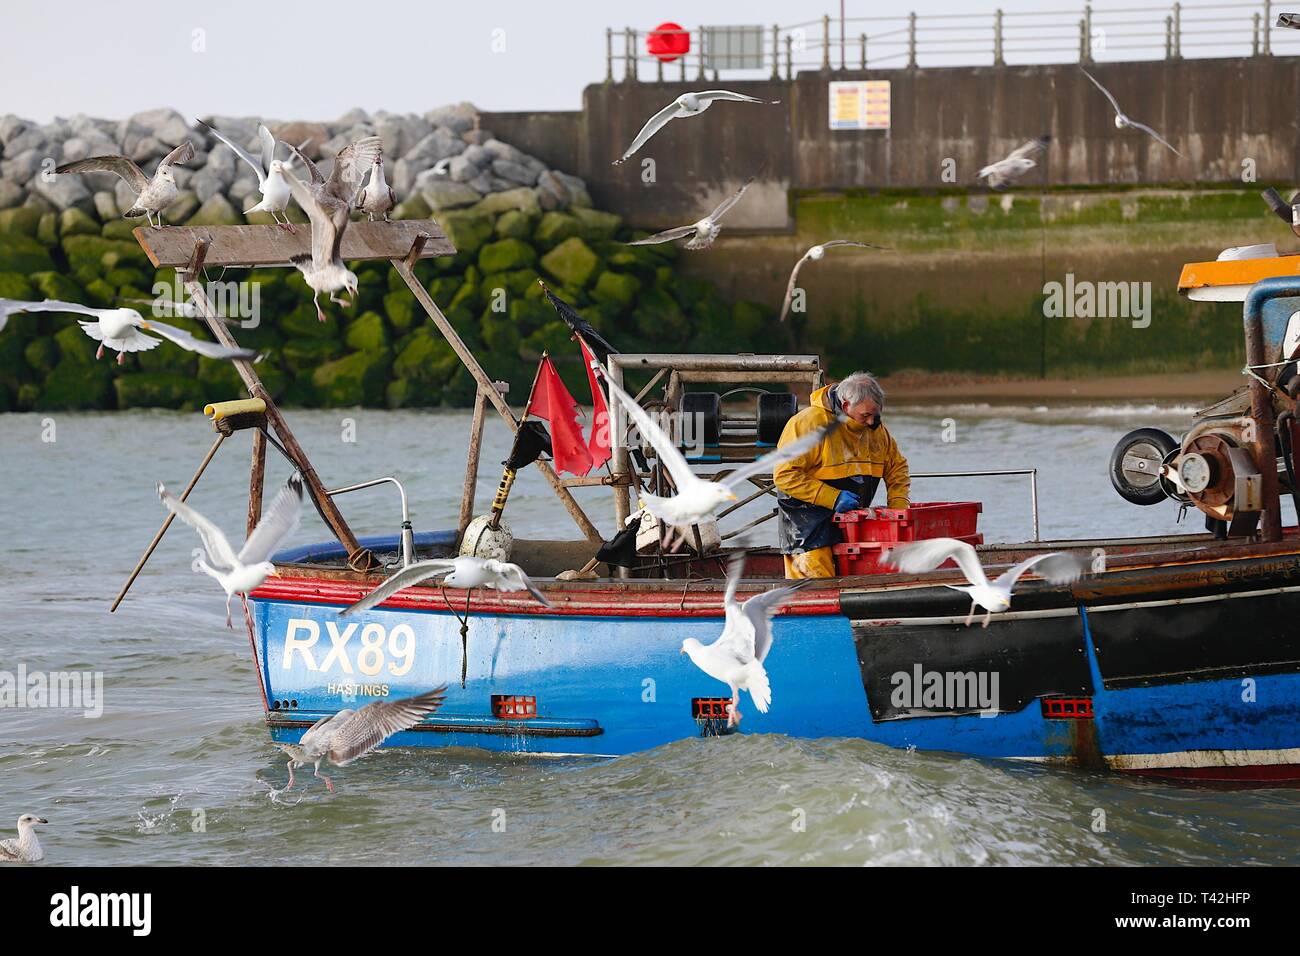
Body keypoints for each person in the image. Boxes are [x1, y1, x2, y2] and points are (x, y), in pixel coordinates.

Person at [773, 371, 910, 579]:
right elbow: (784, 475)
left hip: (851, 524)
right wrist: (833, 497)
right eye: (865, 416)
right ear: (846, 406)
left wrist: (898, 508)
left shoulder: (876, 430)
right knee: (816, 585)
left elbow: (897, 467)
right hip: (807, 528)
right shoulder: (808, 423)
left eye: (876, 415)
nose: (872, 421)